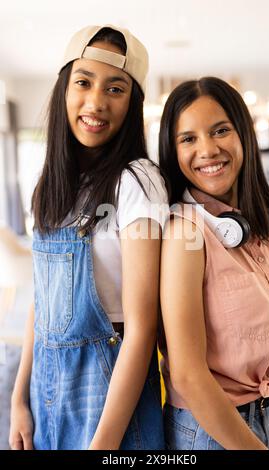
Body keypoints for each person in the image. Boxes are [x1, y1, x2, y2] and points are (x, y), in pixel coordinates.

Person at [9, 25, 168, 450]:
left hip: (109, 404)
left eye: (115, 89)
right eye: (83, 82)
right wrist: (19, 397)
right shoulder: (52, 184)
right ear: (64, 89)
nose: (96, 102)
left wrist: (103, 445)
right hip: (46, 395)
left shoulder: (137, 181)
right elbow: (40, 302)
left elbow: (142, 329)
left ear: (132, 103)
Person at [158, 76, 269, 450]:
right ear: (173, 152)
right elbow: (188, 375)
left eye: (220, 130)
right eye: (188, 138)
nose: (207, 149)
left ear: (244, 136)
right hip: (213, 432)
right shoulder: (184, 234)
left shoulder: (260, 226)